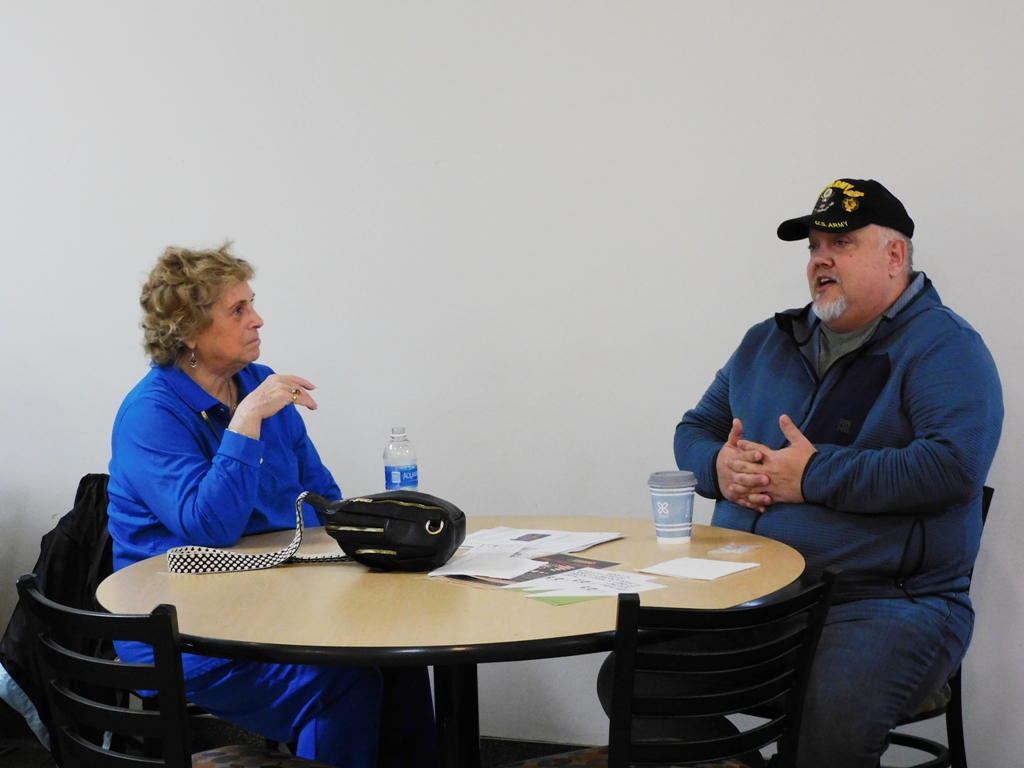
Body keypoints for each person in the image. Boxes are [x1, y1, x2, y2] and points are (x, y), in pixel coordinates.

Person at [674, 179, 1003, 767]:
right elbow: (695, 429)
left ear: (895, 256)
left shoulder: (947, 348)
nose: (820, 259)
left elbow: (952, 468)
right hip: (754, 593)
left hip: (885, 604)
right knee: (636, 680)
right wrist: (719, 468)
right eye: (814, 246)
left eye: (841, 243)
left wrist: (812, 476)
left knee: (824, 737)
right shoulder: (766, 342)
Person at [106, 243, 436, 768]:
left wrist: (374, 543)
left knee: (402, 655)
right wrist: (245, 423)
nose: (257, 320)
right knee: (341, 684)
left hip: (271, 601)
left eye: (252, 304)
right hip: (184, 630)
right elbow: (209, 527)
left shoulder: (260, 384)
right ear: (188, 331)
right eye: (237, 310)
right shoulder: (151, 414)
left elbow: (321, 497)